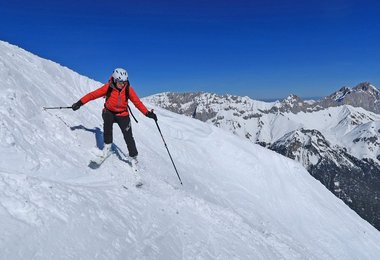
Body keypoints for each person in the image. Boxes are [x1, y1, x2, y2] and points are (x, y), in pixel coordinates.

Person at [71, 68, 157, 168]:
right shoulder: (108, 87)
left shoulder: (128, 89)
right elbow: (92, 95)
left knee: (128, 136)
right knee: (107, 130)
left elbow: (137, 103)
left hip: (123, 114)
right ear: (115, 80)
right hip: (109, 113)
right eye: (120, 82)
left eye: (124, 82)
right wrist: (79, 103)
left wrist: (147, 113)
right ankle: (107, 148)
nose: (122, 84)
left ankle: (133, 157)